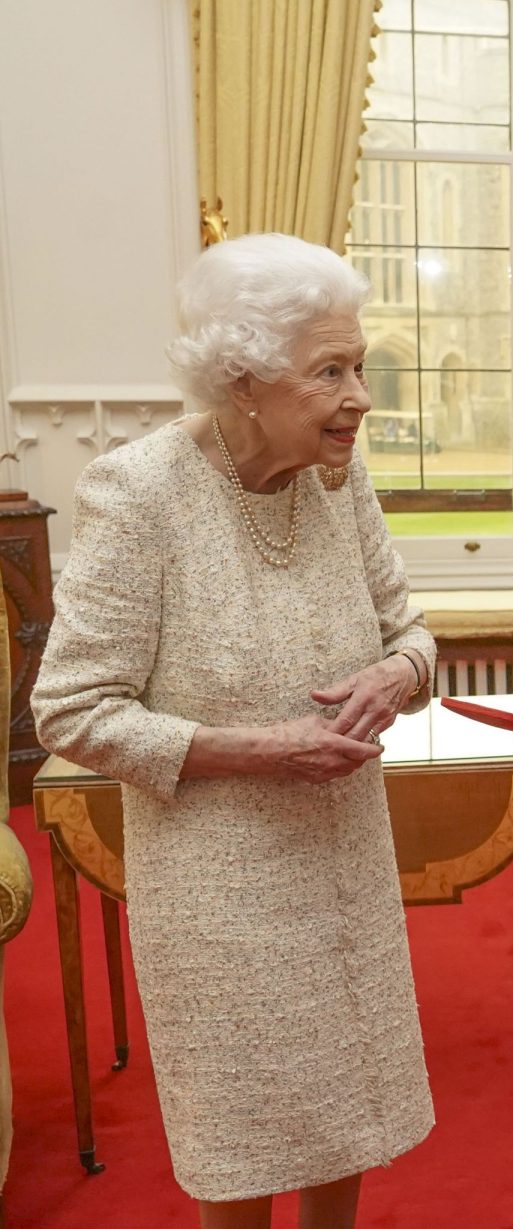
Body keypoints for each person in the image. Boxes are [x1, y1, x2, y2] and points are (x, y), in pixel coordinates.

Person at [32, 233, 436, 1229]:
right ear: (244, 378)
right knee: (247, 1136)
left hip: (343, 868)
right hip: (221, 897)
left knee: (349, 1116)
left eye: (360, 367)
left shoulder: (339, 480)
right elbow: (72, 707)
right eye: (331, 371)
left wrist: (399, 670)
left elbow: (417, 635)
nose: (359, 397)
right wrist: (252, 748)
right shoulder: (142, 492)